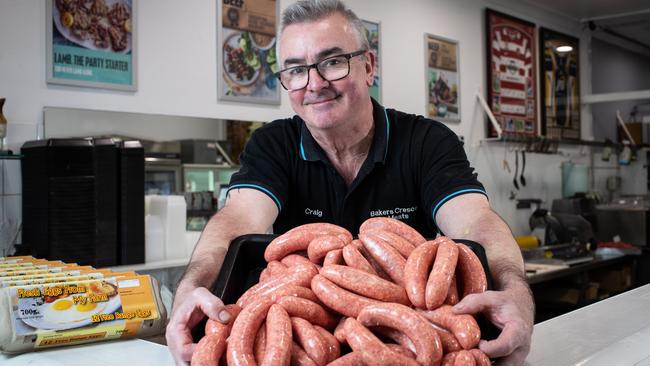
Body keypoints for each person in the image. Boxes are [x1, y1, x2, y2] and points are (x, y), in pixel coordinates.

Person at [166, 0, 534, 365]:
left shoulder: (426, 141)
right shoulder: (273, 144)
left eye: (332, 62)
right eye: (295, 70)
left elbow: (476, 222)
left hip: (410, 347)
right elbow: (237, 221)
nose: (314, 83)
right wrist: (189, 289)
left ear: (369, 66)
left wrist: (516, 293)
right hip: (307, 346)